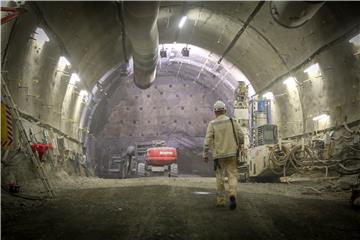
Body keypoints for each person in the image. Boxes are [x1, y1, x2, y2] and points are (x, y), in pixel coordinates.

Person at [203, 100, 244, 210]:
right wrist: (240, 145)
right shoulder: (232, 121)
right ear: (225, 110)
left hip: (218, 155)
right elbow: (241, 136)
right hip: (232, 154)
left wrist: (205, 153)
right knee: (232, 175)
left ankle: (221, 201)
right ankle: (232, 195)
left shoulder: (212, 124)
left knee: (220, 177)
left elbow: (207, 140)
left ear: (215, 112)